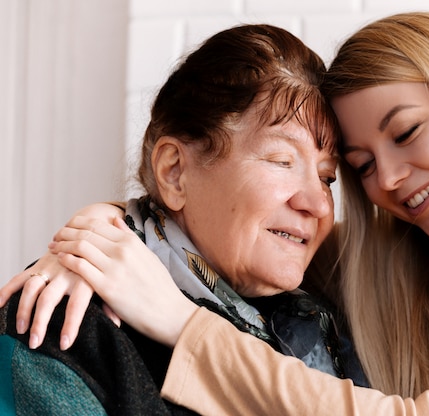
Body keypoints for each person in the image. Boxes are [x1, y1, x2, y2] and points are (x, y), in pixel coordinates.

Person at [4, 11, 429, 415]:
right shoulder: (370, 264)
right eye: (356, 166)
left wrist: (177, 320)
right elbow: (203, 230)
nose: (386, 180)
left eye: (406, 132)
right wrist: (99, 239)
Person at [0, 23, 368, 415]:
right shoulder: (60, 319)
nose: (319, 204)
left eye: (327, 178)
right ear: (175, 171)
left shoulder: (322, 321)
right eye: (282, 161)